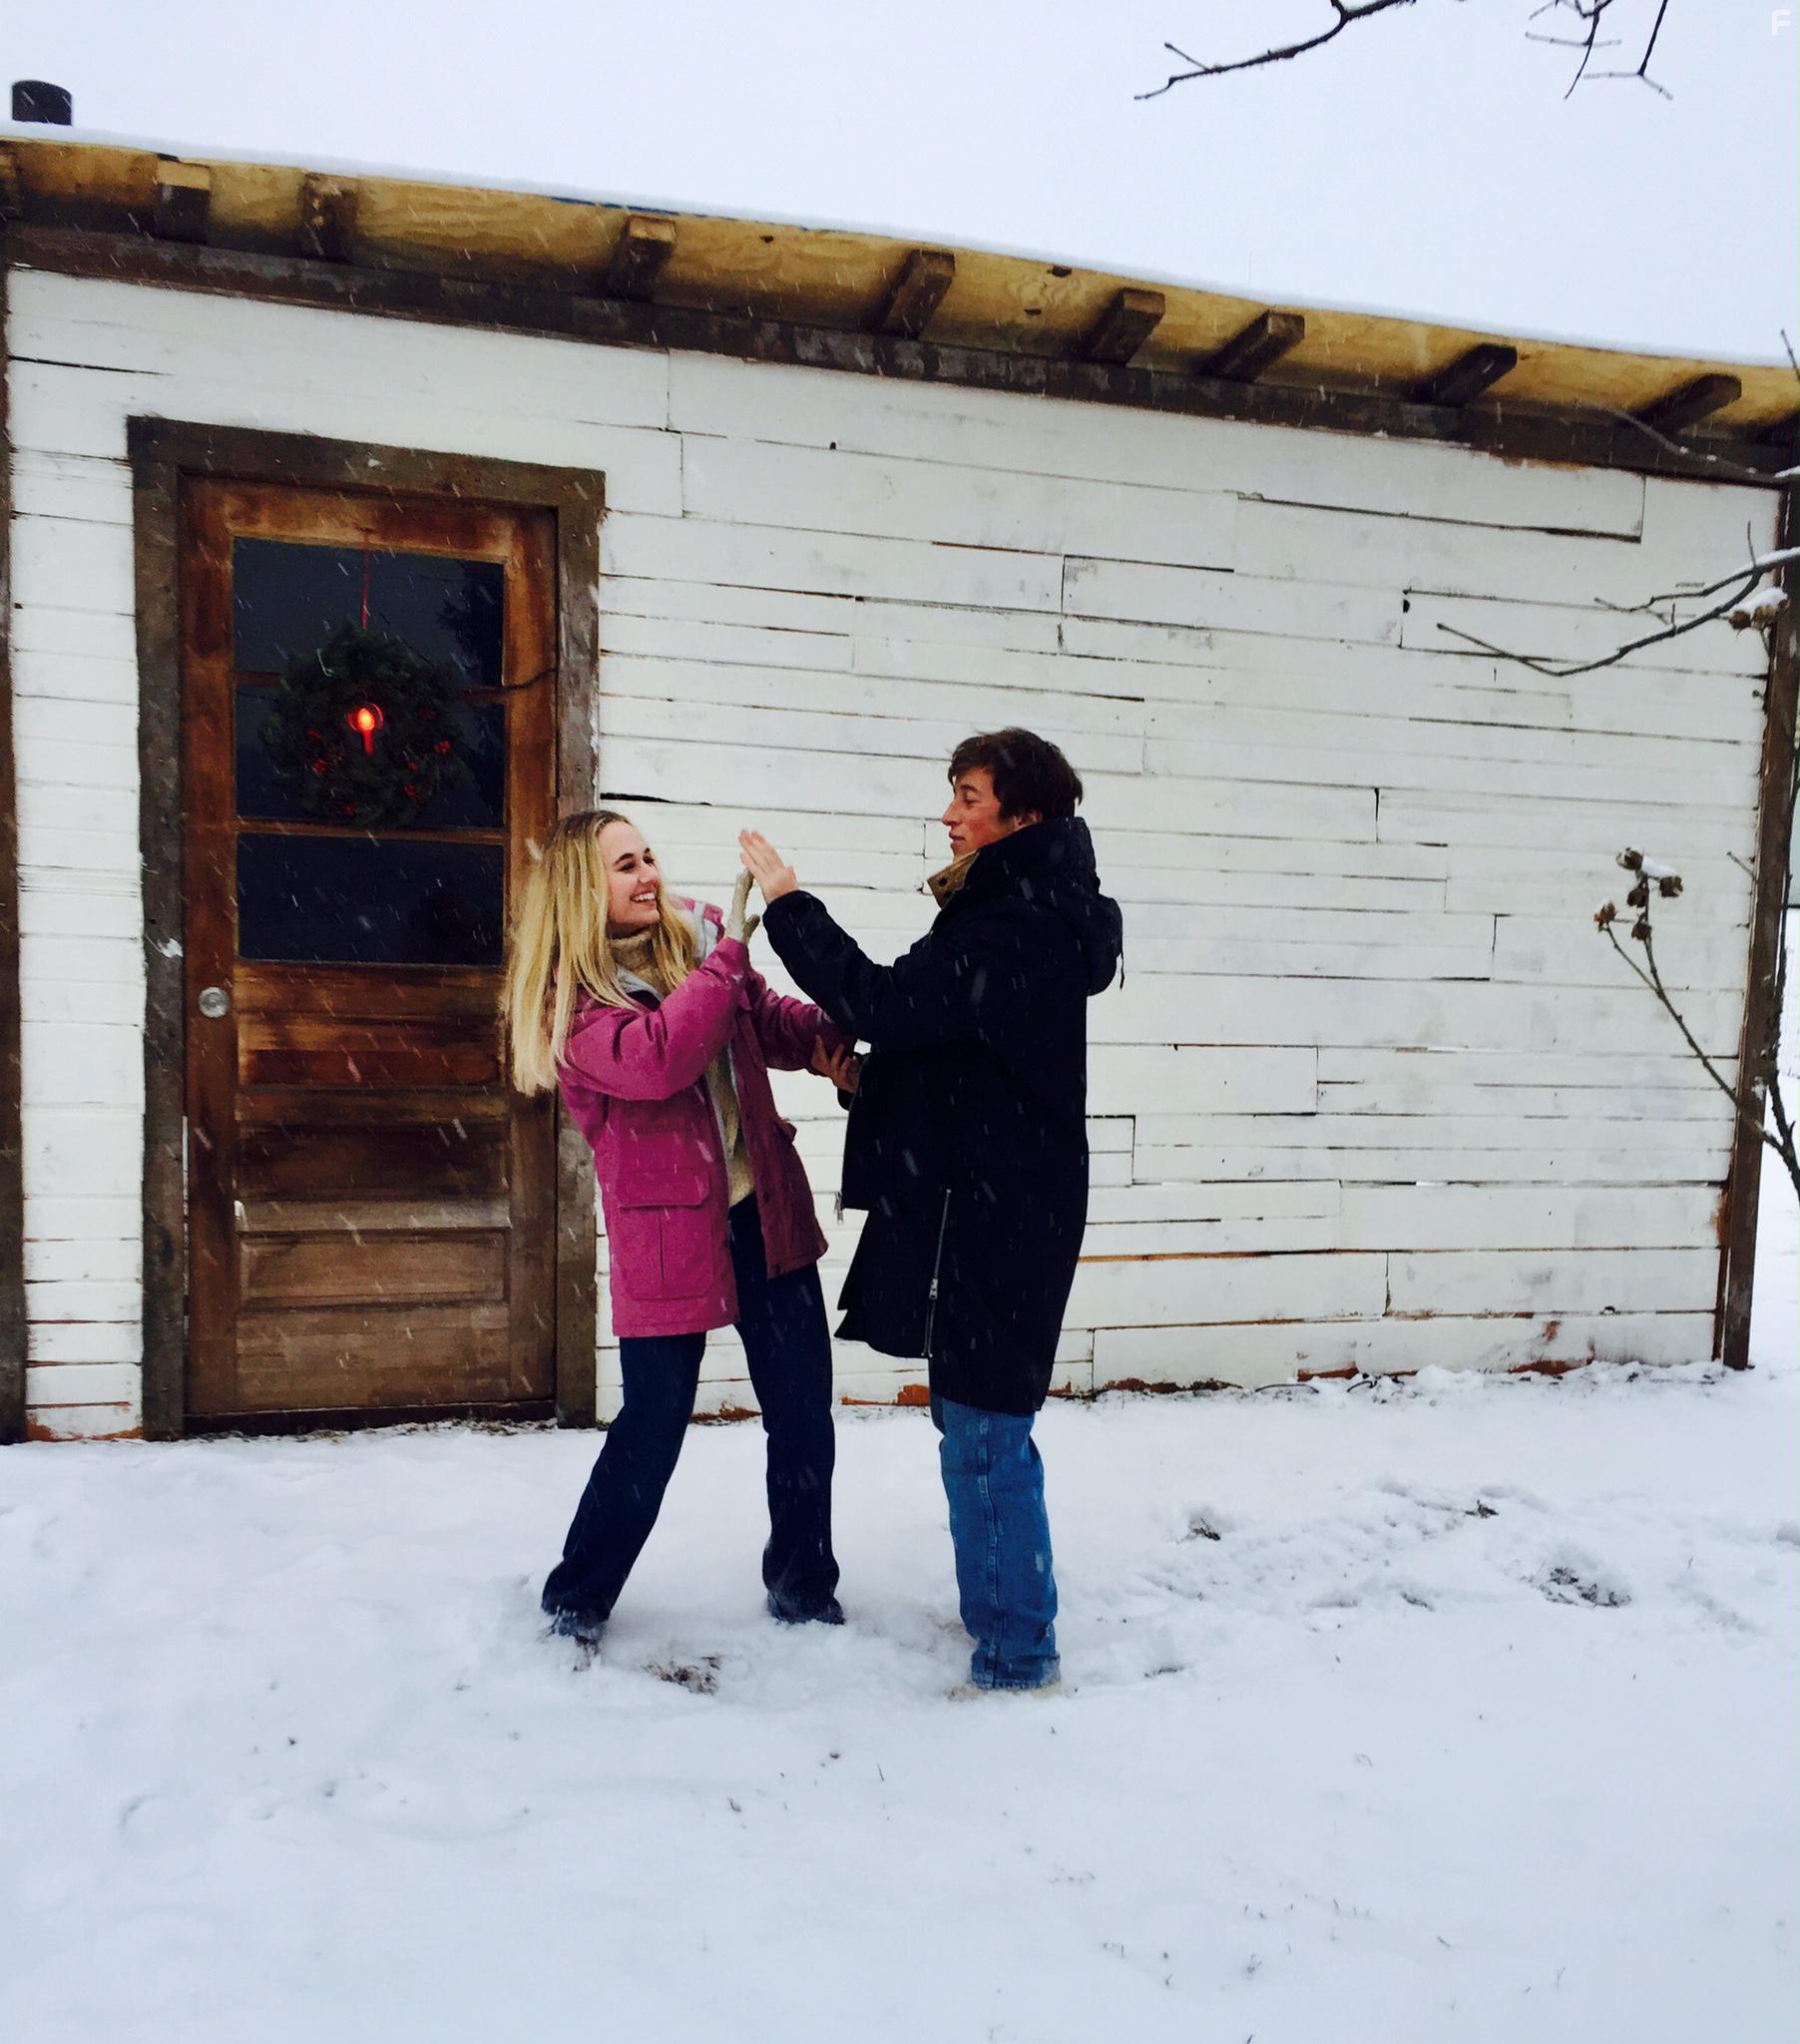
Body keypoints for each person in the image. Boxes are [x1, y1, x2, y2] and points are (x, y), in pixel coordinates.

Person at [739, 729, 1123, 1695]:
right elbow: (956, 1061)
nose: (949, 813)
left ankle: (1016, 1652)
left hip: (1008, 1211)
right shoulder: (1010, 908)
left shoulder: (1019, 922)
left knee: (988, 1425)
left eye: (967, 795)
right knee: (968, 1410)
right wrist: (863, 1082)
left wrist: (790, 908)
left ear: (1021, 816)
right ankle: (999, 1608)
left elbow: (883, 998)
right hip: (993, 1196)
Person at [504, 808, 856, 1649]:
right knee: (654, 1425)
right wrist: (730, 956)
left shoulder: (694, 943)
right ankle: (578, 1595)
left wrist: (827, 1037)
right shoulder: (572, 1006)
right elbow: (662, 1056)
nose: (647, 875)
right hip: (666, 1237)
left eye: (648, 857)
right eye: (624, 866)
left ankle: (804, 1585)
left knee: (803, 1410)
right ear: (585, 888)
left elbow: (761, 1021)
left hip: (759, 1208)